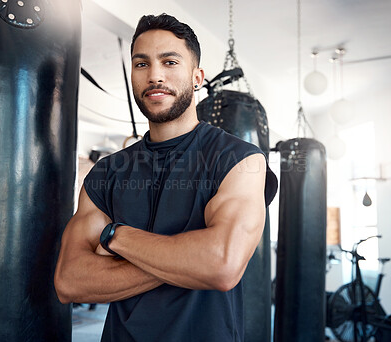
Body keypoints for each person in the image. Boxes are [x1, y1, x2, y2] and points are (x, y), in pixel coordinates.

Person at [54, 13, 277, 342]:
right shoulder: (106, 174)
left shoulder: (240, 160)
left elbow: (221, 265)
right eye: (141, 64)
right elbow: (69, 281)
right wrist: (189, 258)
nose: (155, 75)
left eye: (170, 62)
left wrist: (115, 236)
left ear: (197, 77)